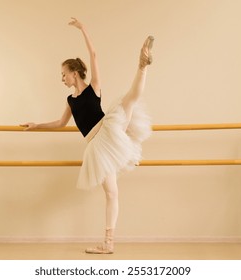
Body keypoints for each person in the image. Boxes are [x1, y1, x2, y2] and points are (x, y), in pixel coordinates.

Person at [21, 18, 153, 254]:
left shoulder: (94, 87)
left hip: (108, 129)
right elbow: (61, 123)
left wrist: (83, 29)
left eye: (64, 74)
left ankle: (143, 65)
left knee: (131, 98)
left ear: (74, 72)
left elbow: (94, 54)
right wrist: (36, 125)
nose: (62, 79)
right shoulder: (71, 100)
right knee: (112, 193)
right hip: (99, 144)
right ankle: (108, 243)